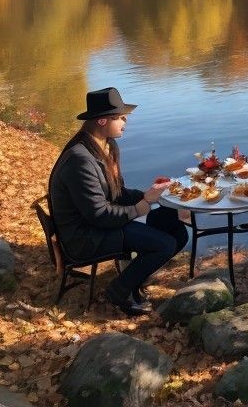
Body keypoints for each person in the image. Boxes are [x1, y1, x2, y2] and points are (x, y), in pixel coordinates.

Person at [48, 87, 188, 316]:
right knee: (165, 244)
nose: (125, 122)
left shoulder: (103, 146)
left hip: (96, 225)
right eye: (121, 118)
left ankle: (135, 276)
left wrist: (147, 194)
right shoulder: (80, 160)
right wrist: (141, 207)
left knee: (174, 226)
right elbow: (100, 214)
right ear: (103, 120)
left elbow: (115, 192)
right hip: (85, 237)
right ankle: (119, 291)